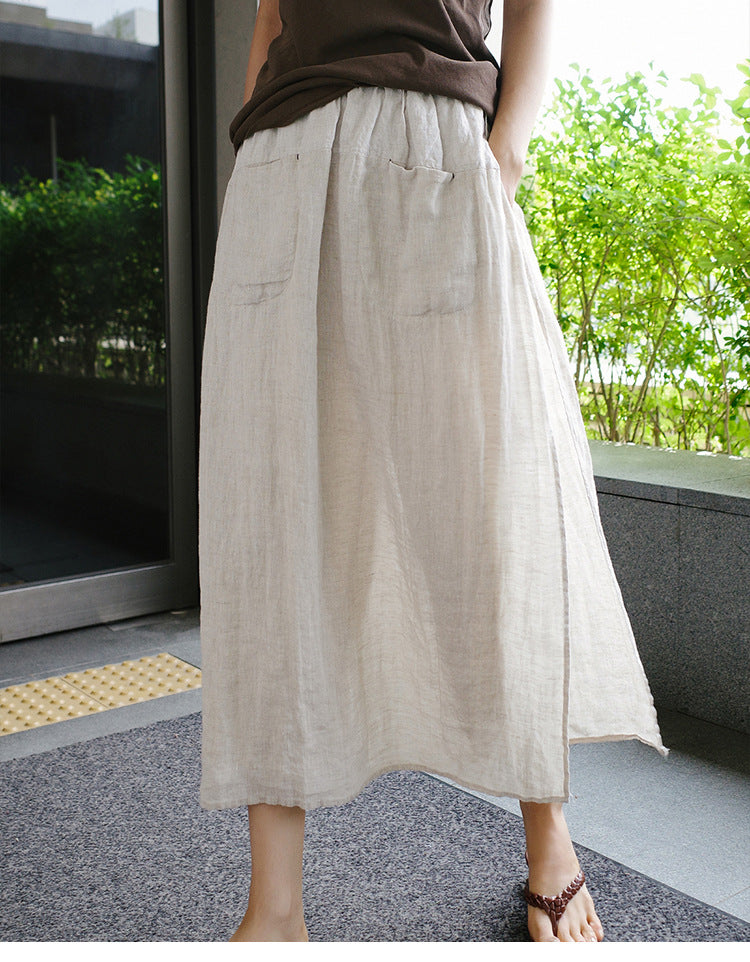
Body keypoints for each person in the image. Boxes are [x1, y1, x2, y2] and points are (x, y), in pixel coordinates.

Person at [197, 0, 668, 943]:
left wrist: (502, 159)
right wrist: (252, 154)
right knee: (272, 523)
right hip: (283, 168)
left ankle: (549, 835)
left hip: (436, 151)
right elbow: (271, 13)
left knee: (489, 509)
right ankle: (275, 905)